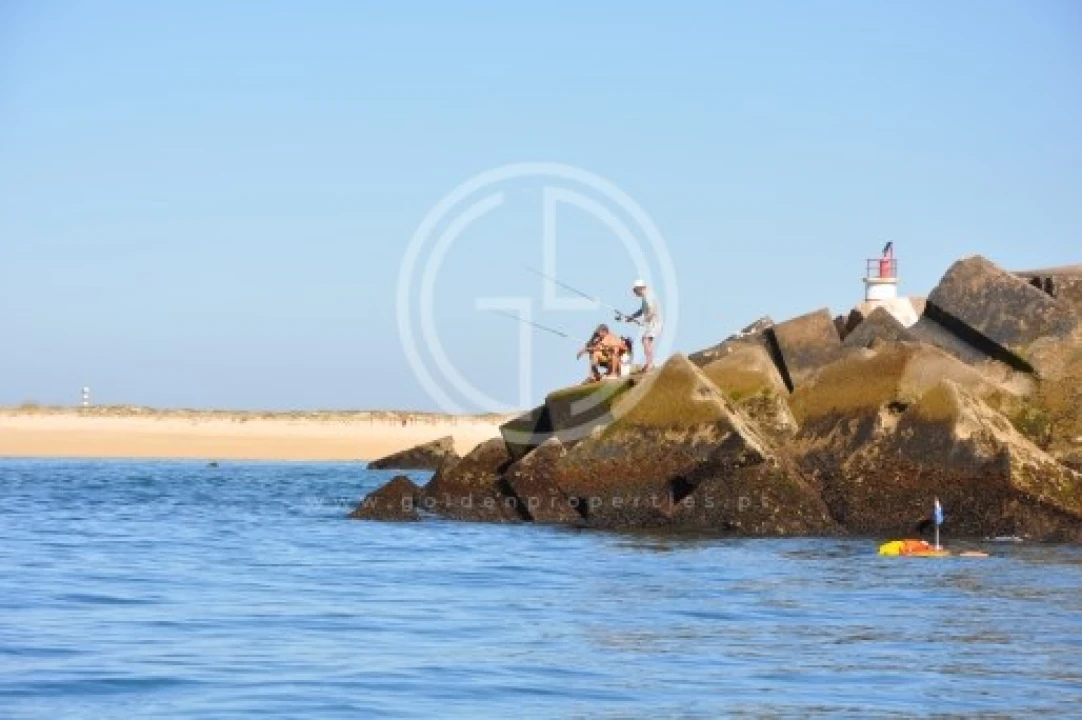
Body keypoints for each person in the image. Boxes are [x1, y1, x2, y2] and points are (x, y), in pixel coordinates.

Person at [620, 279, 661, 372]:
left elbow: (652, 310)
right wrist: (632, 316)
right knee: (645, 341)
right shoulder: (645, 297)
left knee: (646, 341)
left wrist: (643, 320)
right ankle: (649, 363)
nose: (634, 293)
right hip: (651, 323)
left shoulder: (648, 297)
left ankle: (650, 364)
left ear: (639, 288)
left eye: (634, 291)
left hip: (655, 322)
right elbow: (642, 310)